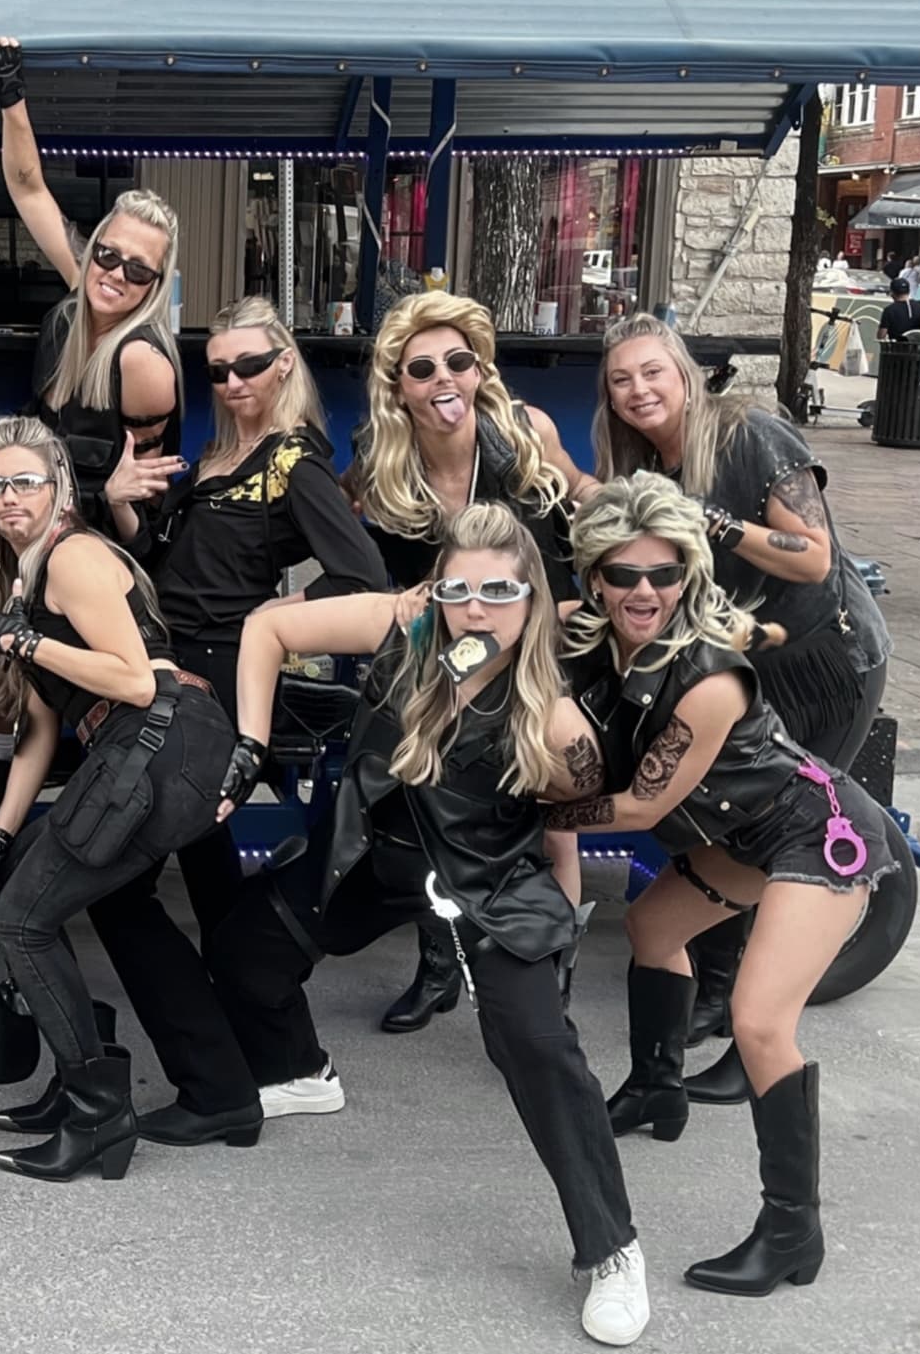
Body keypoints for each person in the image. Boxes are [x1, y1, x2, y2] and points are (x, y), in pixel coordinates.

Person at [206, 503, 649, 1346]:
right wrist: (250, 747)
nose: (477, 607)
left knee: (536, 1049)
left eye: (499, 589)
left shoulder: (553, 717)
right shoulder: (405, 627)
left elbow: (569, 820)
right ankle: (302, 1071)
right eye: (460, 587)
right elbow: (266, 630)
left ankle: (613, 1246)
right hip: (379, 856)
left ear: (530, 597)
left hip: (488, 881)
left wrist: (558, 931)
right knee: (244, 945)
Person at [550, 472, 899, 1298]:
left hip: (819, 833)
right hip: (744, 832)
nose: (645, 590)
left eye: (664, 573)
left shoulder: (709, 677)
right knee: (651, 929)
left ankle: (791, 1232)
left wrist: (534, 813)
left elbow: (641, 804)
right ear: (596, 574)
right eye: (624, 572)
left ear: (688, 575)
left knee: (758, 1021)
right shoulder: (590, 630)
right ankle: (657, 1090)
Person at [41, 296, 379, 1131]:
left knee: (132, 877)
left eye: (249, 365)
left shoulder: (292, 464)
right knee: (213, 883)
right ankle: (287, 1059)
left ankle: (240, 1075)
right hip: (170, 679)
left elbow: (362, 578)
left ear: (285, 366)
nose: (231, 381)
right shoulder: (218, 459)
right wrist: (122, 504)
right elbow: (159, 564)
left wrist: (275, 634)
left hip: (218, 692)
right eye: (218, 368)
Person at [596, 313, 890, 1103]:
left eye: (652, 371)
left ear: (684, 372)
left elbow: (817, 556)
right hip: (745, 662)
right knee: (727, 826)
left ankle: (746, 1027)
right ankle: (698, 1022)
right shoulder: (644, 460)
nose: (639, 390)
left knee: (779, 834)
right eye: (622, 380)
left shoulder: (748, 435)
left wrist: (713, 521)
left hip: (823, 661)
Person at [0, 415, 251, 1181]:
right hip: (136, 749)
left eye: (26, 481)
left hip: (157, 743)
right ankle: (171, 1087)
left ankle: (97, 1115)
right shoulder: (26, 574)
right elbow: (44, 724)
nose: (8, 496)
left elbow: (135, 678)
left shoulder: (74, 557)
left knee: (24, 919)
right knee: (97, 908)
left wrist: (16, 640)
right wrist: (1, 832)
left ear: (59, 489)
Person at [341, 291, 598, 1034]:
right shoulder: (381, 461)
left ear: (480, 368)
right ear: (399, 384)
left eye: (458, 360)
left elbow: (587, 504)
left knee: (553, 813)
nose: (442, 379)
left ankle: (554, 966)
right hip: (444, 654)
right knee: (425, 793)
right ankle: (439, 960)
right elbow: (332, 527)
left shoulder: (524, 435)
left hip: (540, 640)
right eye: (421, 368)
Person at [0, 35, 189, 538]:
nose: (115, 273)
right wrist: (11, 100)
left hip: (102, 543)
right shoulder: (83, 289)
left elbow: (145, 514)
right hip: (38, 518)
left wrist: (93, 506)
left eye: (137, 269)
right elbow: (29, 188)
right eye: (108, 255)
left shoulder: (141, 361)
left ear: (154, 285)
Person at [877, 277, 920, 342]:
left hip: (897, 348)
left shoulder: (889, 310)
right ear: (909, 291)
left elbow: (881, 335)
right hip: (917, 347)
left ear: (892, 292)